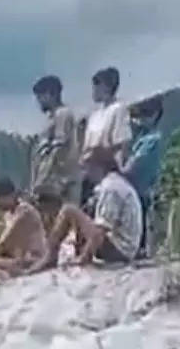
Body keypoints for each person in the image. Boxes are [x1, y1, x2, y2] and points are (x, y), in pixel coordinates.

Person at [30, 147, 142, 273]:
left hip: (121, 249)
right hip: (124, 247)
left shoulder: (111, 188)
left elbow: (101, 230)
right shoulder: (113, 184)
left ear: (99, 167)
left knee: (69, 210)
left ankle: (50, 256)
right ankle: (53, 254)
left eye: (88, 168)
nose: (86, 173)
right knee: (81, 213)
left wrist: (84, 258)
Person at [29, 75, 81, 227]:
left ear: (51, 94)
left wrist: (43, 180)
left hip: (57, 185)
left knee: (57, 227)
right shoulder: (51, 117)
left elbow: (58, 149)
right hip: (47, 186)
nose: (38, 101)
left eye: (40, 96)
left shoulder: (63, 114)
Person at [80, 67, 133, 207]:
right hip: (90, 171)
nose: (94, 90)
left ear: (106, 86)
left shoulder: (118, 109)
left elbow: (122, 142)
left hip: (108, 169)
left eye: (97, 86)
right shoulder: (94, 115)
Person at [0, 177, 48, 273]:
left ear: (10, 196)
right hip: (20, 259)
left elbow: (2, 244)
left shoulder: (24, 212)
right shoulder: (9, 214)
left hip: (34, 260)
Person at [124, 96, 165, 256]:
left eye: (144, 115)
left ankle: (141, 251)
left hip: (143, 188)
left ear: (155, 115)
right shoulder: (141, 136)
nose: (140, 120)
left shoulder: (152, 139)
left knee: (140, 220)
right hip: (135, 188)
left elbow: (134, 164)